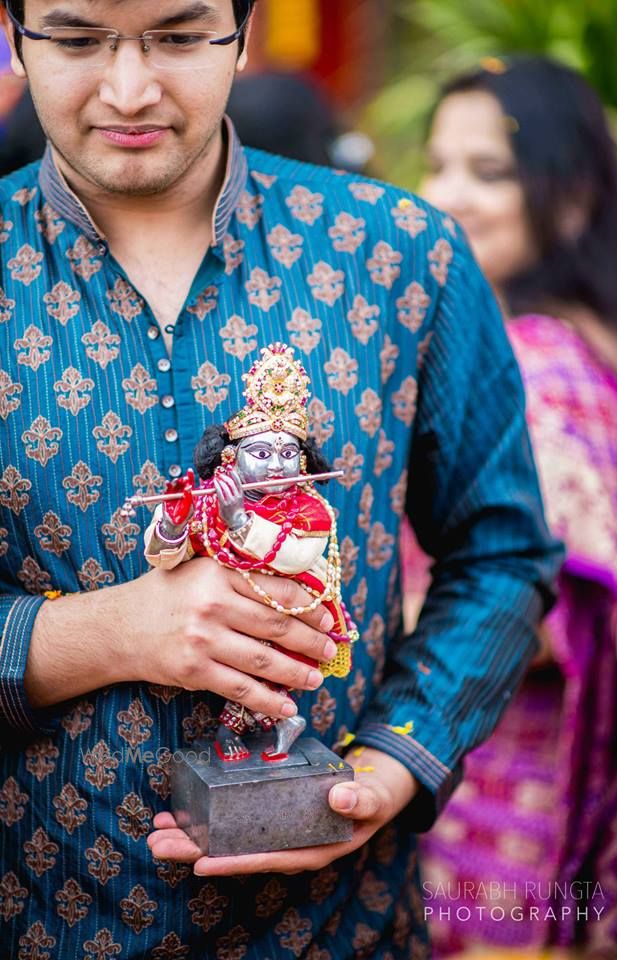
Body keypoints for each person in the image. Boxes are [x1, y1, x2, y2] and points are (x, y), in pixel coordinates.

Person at [0, 3, 561, 956]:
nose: (129, 89)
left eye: (178, 36)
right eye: (79, 37)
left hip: (345, 927)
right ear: (14, 36)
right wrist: (93, 634)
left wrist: (393, 762)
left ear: (246, 29)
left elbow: (501, 553)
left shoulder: (399, 255)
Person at [407, 57, 617, 954]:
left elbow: (552, 608)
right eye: (438, 164)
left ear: (572, 198)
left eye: (489, 171)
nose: (449, 193)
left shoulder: (538, 365)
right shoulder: (589, 334)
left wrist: (360, 620)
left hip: (508, 797)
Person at [143, 342, 358, 761]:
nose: (276, 465)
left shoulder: (309, 505)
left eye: (288, 454)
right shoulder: (210, 497)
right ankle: (271, 723)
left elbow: (294, 557)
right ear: (232, 457)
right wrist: (173, 520)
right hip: (208, 625)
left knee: (264, 668)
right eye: (260, 453)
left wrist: (240, 520)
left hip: (290, 611)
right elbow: (167, 558)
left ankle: (254, 725)